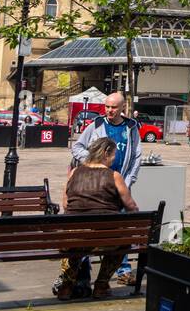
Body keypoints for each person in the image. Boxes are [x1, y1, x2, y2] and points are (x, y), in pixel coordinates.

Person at [69, 92, 142, 282]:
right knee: (92, 230)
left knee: (120, 229)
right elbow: (77, 147)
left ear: (122, 108)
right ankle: (86, 274)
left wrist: (128, 181)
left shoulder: (131, 127)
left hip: (121, 184)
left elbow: (136, 156)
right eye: (107, 107)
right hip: (98, 186)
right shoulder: (97, 125)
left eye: (114, 107)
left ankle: (123, 270)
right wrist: (93, 163)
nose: (109, 110)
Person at [56, 137, 139, 299]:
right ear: (106, 153)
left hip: (72, 238)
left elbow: (66, 204)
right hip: (104, 240)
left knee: (73, 243)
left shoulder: (74, 172)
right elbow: (131, 207)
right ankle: (101, 285)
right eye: (114, 154)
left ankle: (66, 286)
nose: (114, 158)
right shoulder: (114, 176)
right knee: (122, 243)